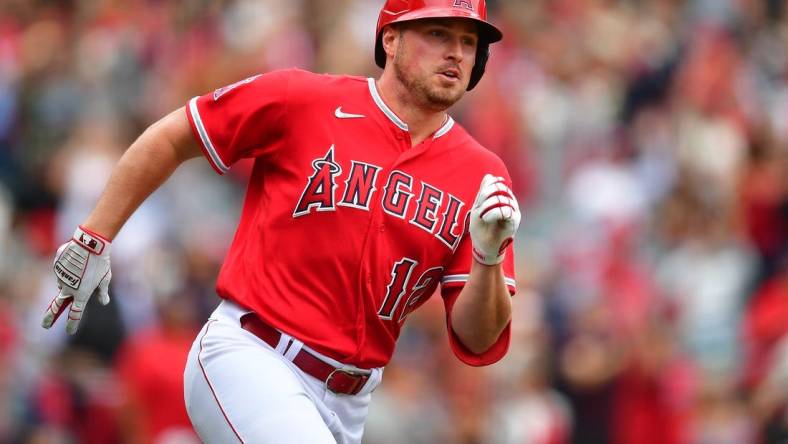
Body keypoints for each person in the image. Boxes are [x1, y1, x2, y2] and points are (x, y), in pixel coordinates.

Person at [41, 0, 521, 442]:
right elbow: (174, 137)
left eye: (468, 42)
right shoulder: (302, 99)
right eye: (438, 33)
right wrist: (94, 236)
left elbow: (477, 338)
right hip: (253, 354)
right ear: (390, 39)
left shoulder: (482, 174)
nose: (456, 53)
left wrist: (488, 258)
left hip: (352, 401)